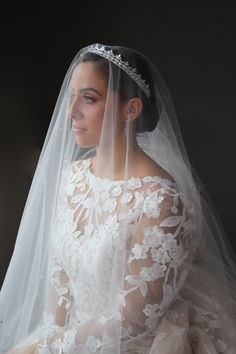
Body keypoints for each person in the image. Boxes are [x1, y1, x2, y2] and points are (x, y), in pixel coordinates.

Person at [0, 43, 236, 354]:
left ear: (131, 109)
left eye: (88, 98)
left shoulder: (161, 202)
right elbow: (60, 283)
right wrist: (49, 338)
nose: (71, 113)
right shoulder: (73, 177)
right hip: (71, 339)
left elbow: (135, 320)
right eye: (72, 98)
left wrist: (48, 349)